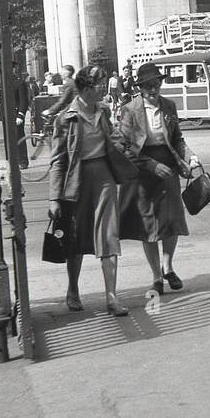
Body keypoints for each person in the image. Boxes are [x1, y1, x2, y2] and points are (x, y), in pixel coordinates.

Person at [47, 64, 136, 316]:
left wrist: (123, 143)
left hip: (104, 178)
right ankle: (73, 290)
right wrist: (54, 198)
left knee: (109, 235)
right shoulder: (66, 118)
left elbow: (113, 139)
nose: (104, 89)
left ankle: (111, 298)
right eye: (100, 84)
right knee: (75, 237)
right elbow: (58, 161)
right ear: (87, 87)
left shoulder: (103, 112)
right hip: (76, 181)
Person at [117, 60, 200, 295]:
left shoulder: (169, 106)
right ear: (140, 88)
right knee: (148, 225)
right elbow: (124, 148)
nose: (153, 91)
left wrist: (190, 158)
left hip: (168, 164)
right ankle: (156, 276)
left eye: (156, 85)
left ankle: (168, 267)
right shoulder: (130, 110)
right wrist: (151, 166)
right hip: (141, 169)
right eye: (148, 86)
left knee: (171, 220)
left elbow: (177, 140)